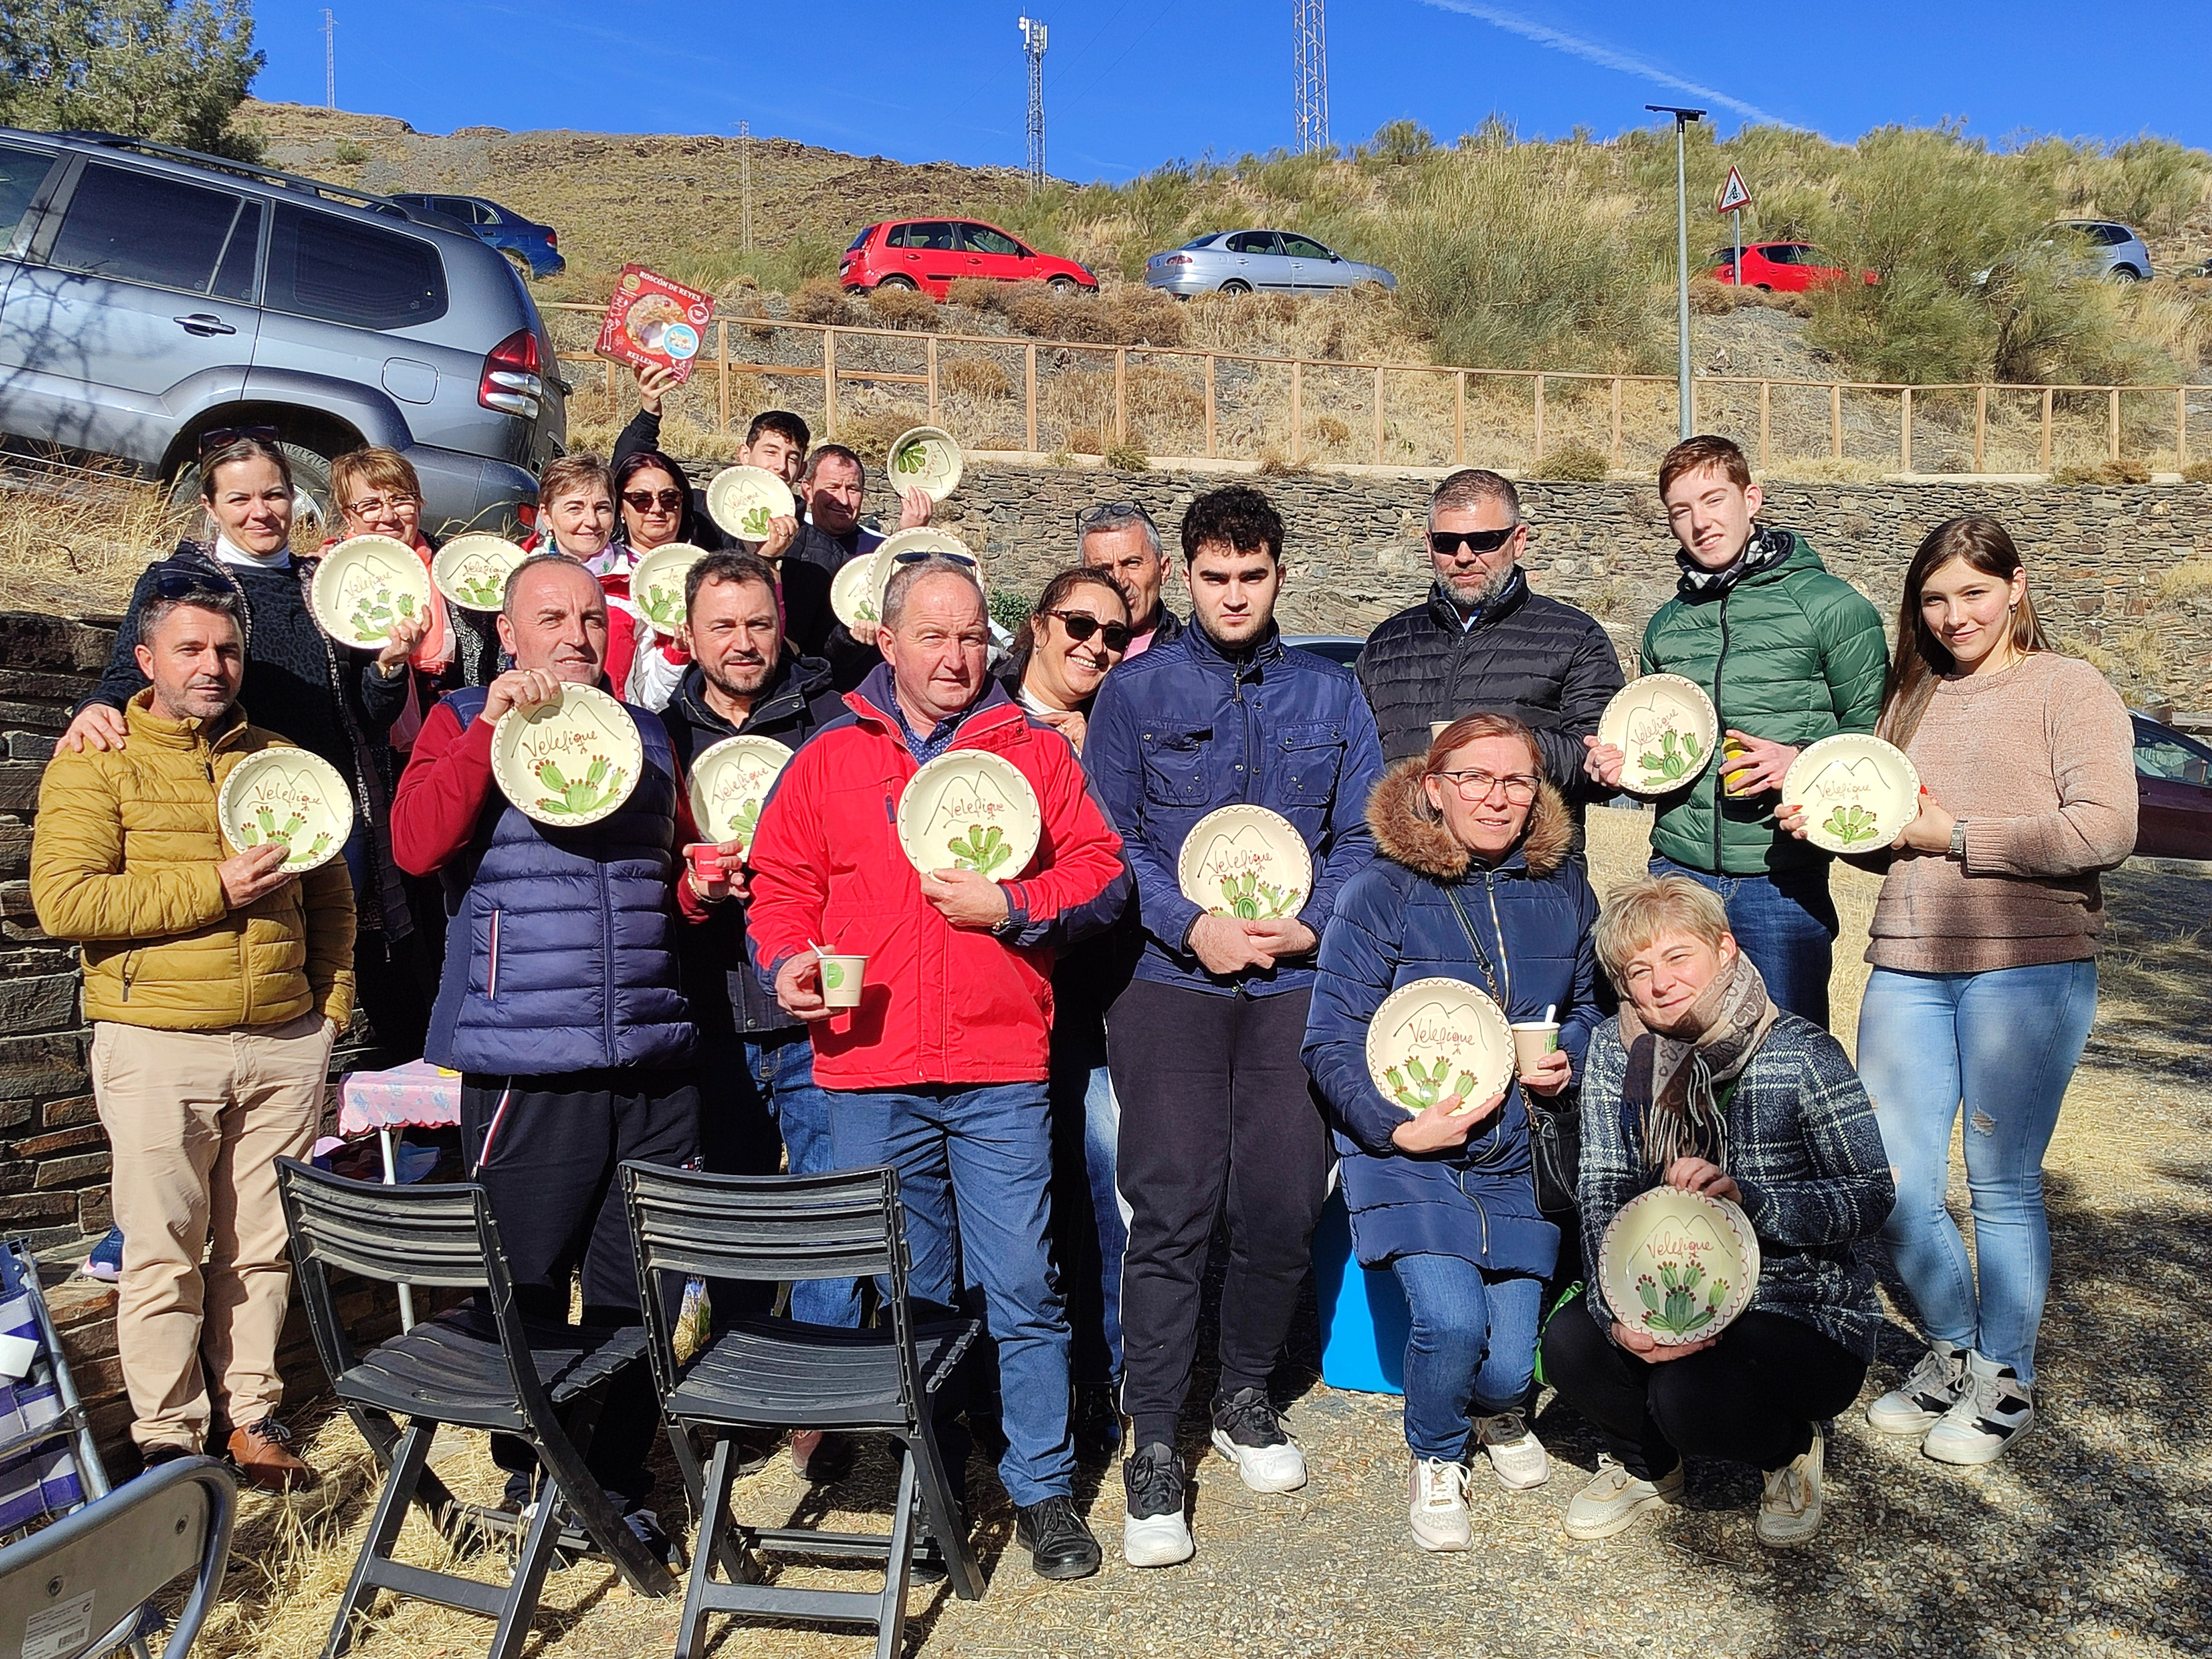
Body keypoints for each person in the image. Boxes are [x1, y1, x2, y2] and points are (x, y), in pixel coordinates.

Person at [745, 555, 1130, 1581]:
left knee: (1023, 1285)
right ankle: (935, 1481)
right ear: (888, 642)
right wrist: (785, 963)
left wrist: (1017, 910)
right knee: (913, 1292)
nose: (957, 657)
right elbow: (779, 885)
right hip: (868, 1066)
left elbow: (1101, 873)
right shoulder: (830, 757)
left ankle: (1042, 1488)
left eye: (971, 638)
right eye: (934, 636)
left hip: (999, 1062)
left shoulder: (1033, 754)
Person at [1779, 517, 2135, 1465]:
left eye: (1972, 592)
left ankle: (2004, 1380)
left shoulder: (2070, 688)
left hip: (2031, 963)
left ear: (2016, 586)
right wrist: (1828, 823)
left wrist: (1961, 836)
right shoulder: (1914, 694)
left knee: (2003, 1186)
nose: (1952, 615)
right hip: (1908, 955)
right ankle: (1951, 1349)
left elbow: (2106, 828)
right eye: (1934, 599)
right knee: (1890, 1179)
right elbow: (1893, 834)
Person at [1084, 483, 1385, 1569]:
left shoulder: (1327, 694)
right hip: (1171, 978)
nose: (1231, 595)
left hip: (1290, 981)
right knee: (1172, 1202)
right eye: (1213, 577)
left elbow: (1362, 829)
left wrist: (1310, 924)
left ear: (1277, 577)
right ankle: (1154, 1438)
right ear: (1184, 574)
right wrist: (1189, 922)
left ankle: (1245, 1392)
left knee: (1277, 1197)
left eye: (1250, 577)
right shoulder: (1136, 692)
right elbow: (1106, 839)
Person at [389, 554, 702, 1559]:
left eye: (589, 618)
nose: (575, 634)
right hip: (527, 1057)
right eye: (550, 619)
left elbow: (676, 879)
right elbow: (414, 842)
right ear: (510, 632)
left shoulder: (650, 733)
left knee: (638, 1282)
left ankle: (613, 1484)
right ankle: (535, 1477)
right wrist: (486, 732)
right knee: (523, 1278)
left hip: (652, 1055)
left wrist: (704, 886)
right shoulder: (464, 719)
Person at [33, 585, 353, 1491]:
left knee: (261, 1246)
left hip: (283, 1043)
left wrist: (327, 1014)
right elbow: (67, 903)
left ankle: (252, 1419)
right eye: (191, 650)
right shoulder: (99, 761)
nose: (213, 666)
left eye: (226, 650)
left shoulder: (282, 762)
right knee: (162, 1250)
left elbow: (332, 900)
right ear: (147, 661)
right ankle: (170, 1440)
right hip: (158, 1040)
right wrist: (215, 888)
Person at [1303, 714, 1602, 1552]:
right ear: (1435, 788)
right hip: (1409, 1152)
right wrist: (1394, 1129)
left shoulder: (1566, 890)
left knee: (1511, 1363)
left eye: (1516, 780)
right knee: (1451, 1323)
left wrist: (1566, 1058)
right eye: (1475, 778)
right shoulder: (1381, 892)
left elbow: (1589, 1011)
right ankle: (1435, 1454)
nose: (1498, 798)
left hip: (1519, 1151)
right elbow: (1328, 1039)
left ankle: (1497, 1415)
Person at [1541, 875, 1893, 1550]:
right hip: (1665, 1279)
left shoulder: (1799, 1051)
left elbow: (1869, 1195)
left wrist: (1753, 1203)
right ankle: (1649, 1466)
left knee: (1688, 1398)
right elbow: (1604, 1183)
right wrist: (1623, 1313)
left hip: (1792, 1304)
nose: (1660, 984)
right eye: (1637, 971)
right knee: (1569, 1348)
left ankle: (1786, 1451)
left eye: (1678, 958)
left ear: (1725, 949)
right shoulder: (1619, 1052)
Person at [61, 435, 426, 1057]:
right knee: (261, 957)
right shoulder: (181, 579)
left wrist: (387, 670)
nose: (261, 511)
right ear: (210, 505)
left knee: (347, 959)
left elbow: (359, 715)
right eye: (240, 498)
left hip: (336, 807)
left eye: (275, 494)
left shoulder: (325, 583)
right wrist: (94, 706)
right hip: (238, 809)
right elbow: (135, 669)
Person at [1582, 435, 1887, 1028]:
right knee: (1671, 1058)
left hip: (1781, 881)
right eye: (1680, 511)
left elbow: (1873, 741)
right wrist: (1626, 774)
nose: (1699, 523)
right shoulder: (1667, 626)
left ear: (1752, 499)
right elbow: (1662, 766)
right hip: (1675, 871)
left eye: (1713, 500)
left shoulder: (1831, 607)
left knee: (1782, 1061)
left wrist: (1800, 763)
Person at [658, 551, 853, 1338]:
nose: (744, 642)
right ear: (688, 636)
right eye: (723, 626)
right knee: (733, 1211)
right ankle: (743, 1367)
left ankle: (823, 1376)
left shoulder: (833, 724)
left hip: (816, 1016)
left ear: (783, 629)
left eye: (759, 624)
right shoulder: (654, 740)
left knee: (827, 1203)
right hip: (711, 1014)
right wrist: (692, 889)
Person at [1000, 566, 1136, 1460]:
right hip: (1001, 999)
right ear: (1041, 624)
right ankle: (1001, 1389)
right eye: (1079, 625)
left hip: (1094, 998)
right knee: (1013, 1208)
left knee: (1100, 1194)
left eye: (1114, 634)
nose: (1094, 645)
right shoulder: (983, 724)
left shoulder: (1123, 734)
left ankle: (1100, 1378)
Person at [1357, 468, 1623, 776]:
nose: (1465, 556)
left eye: (1483, 540)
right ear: (1429, 545)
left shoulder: (1575, 638)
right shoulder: (1385, 644)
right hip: (1409, 825)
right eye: (1447, 542)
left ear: (1518, 541)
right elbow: (1356, 765)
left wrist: (1499, 751)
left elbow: (1601, 756)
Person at [1079, 500, 1182, 656]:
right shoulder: (1063, 655)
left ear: (1164, 569)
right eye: (1103, 569)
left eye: (1132, 563)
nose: (1120, 581)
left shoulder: (1194, 660)